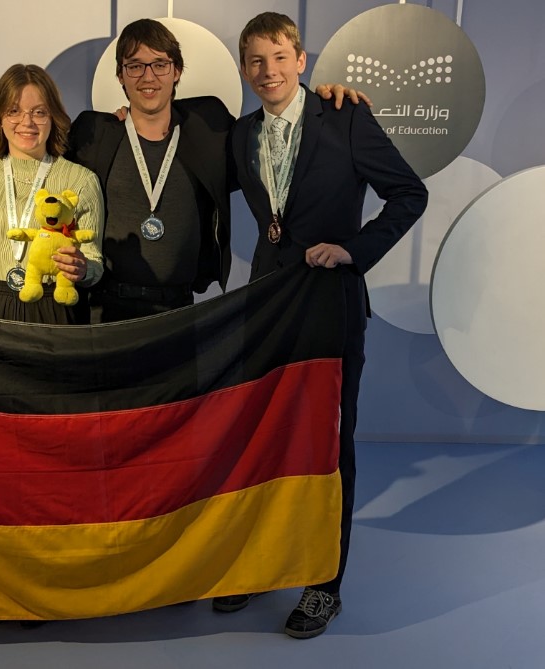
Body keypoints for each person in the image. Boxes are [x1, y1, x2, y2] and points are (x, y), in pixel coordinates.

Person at [213, 12, 428, 638]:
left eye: (279, 57)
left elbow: (408, 194)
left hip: (330, 302)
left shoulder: (347, 116)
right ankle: (257, 563)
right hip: (268, 304)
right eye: (255, 60)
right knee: (263, 436)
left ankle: (322, 582)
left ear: (301, 61)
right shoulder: (239, 134)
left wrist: (355, 250)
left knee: (329, 445)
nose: (268, 71)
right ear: (245, 68)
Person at [66, 18, 367, 323]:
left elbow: (275, 140)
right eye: (135, 66)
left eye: (160, 64)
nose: (148, 77)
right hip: (103, 310)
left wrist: (319, 100)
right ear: (120, 75)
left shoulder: (209, 125)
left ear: (177, 71)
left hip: (180, 308)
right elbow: (48, 175)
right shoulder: (94, 132)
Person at [0, 64, 103, 324]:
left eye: (39, 112)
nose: (26, 122)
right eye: (14, 111)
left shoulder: (81, 180)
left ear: (54, 117)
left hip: (53, 307)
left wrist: (83, 269)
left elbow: (94, 261)